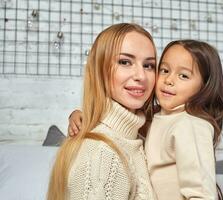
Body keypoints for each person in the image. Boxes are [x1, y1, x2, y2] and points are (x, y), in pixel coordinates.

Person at [68, 40, 223, 200]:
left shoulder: (192, 125)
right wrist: (81, 115)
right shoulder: (159, 118)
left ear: (204, 86)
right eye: (164, 70)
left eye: (183, 76)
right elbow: (120, 124)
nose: (169, 80)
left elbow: (202, 195)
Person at [47, 23, 158, 200]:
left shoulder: (137, 139)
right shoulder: (103, 153)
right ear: (100, 70)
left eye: (149, 65)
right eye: (125, 62)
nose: (141, 76)